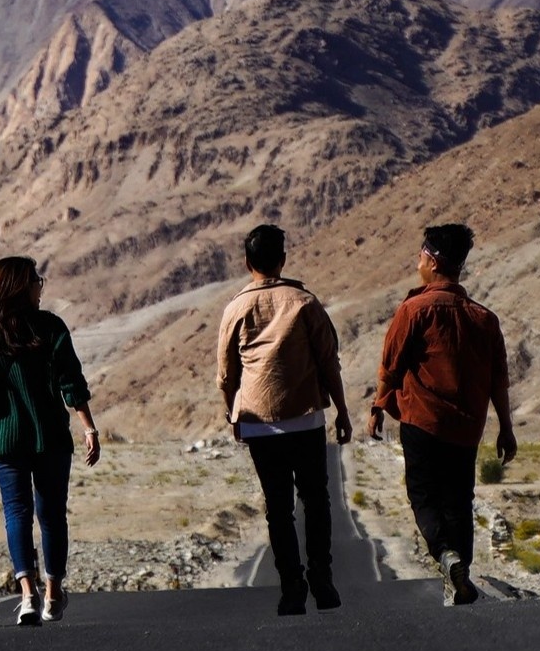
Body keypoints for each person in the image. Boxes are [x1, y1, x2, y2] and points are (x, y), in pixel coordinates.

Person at [367, 224, 518, 607]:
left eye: (420, 256)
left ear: (432, 262)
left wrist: (378, 407)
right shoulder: (485, 319)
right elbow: (499, 380)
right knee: (459, 499)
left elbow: (391, 367)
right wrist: (506, 428)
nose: (417, 262)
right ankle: (459, 575)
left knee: (423, 495)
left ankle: (446, 555)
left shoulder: (413, 310)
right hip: (466, 427)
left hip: (422, 421)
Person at [0, 256, 100, 626]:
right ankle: (53, 594)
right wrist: (89, 428)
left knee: (16, 512)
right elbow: (71, 380)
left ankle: (27, 594)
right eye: (37, 280)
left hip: (5, 440)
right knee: (52, 515)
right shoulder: (50, 327)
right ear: (21, 287)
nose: (40, 287)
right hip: (50, 438)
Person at [217, 224, 353, 616]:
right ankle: (322, 580)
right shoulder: (304, 302)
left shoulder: (235, 308)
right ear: (283, 259)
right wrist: (342, 410)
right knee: (316, 499)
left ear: (247, 262)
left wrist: (233, 414)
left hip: (259, 422)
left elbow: (226, 374)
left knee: (278, 508)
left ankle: (292, 587)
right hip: (306, 419)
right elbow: (328, 362)